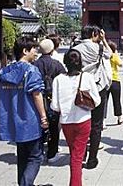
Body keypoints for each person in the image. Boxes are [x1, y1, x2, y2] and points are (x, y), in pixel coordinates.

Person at [0, 37, 48, 186]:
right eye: (34, 49)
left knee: (22, 157)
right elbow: (37, 94)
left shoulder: (5, 71)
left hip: (13, 120)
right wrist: (43, 117)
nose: (36, 52)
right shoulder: (32, 71)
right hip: (30, 119)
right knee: (35, 157)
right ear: (25, 51)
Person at [50, 49, 101, 186]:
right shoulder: (87, 77)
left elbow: (55, 106)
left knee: (75, 153)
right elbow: (97, 101)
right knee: (77, 156)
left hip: (66, 122)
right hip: (83, 120)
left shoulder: (58, 80)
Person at [73, 25, 113, 169]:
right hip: (98, 87)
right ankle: (92, 159)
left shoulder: (75, 49)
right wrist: (104, 40)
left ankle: (81, 154)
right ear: (94, 34)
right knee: (96, 125)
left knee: (81, 122)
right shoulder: (99, 48)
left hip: (80, 88)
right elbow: (110, 54)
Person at [34, 38, 66, 163]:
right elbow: (64, 78)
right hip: (53, 97)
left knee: (39, 126)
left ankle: (39, 151)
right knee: (54, 126)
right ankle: (52, 153)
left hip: (38, 97)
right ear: (52, 50)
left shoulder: (34, 65)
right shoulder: (57, 64)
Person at [108, 41, 123, 125]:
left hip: (105, 80)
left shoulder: (104, 56)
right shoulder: (114, 55)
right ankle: (119, 117)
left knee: (104, 101)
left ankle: (103, 121)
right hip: (115, 79)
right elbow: (121, 64)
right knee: (116, 100)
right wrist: (116, 55)